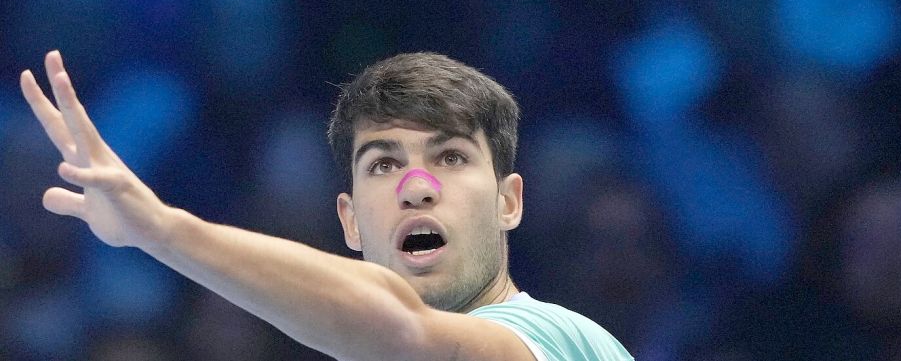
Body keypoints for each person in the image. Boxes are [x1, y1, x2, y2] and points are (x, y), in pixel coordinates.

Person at [20, 50, 634, 361]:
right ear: (348, 220)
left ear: (508, 202)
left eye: (450, 158)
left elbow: (400, 331)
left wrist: (161, 230)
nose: (415, 188)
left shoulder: (560, 339)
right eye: (384, 164)